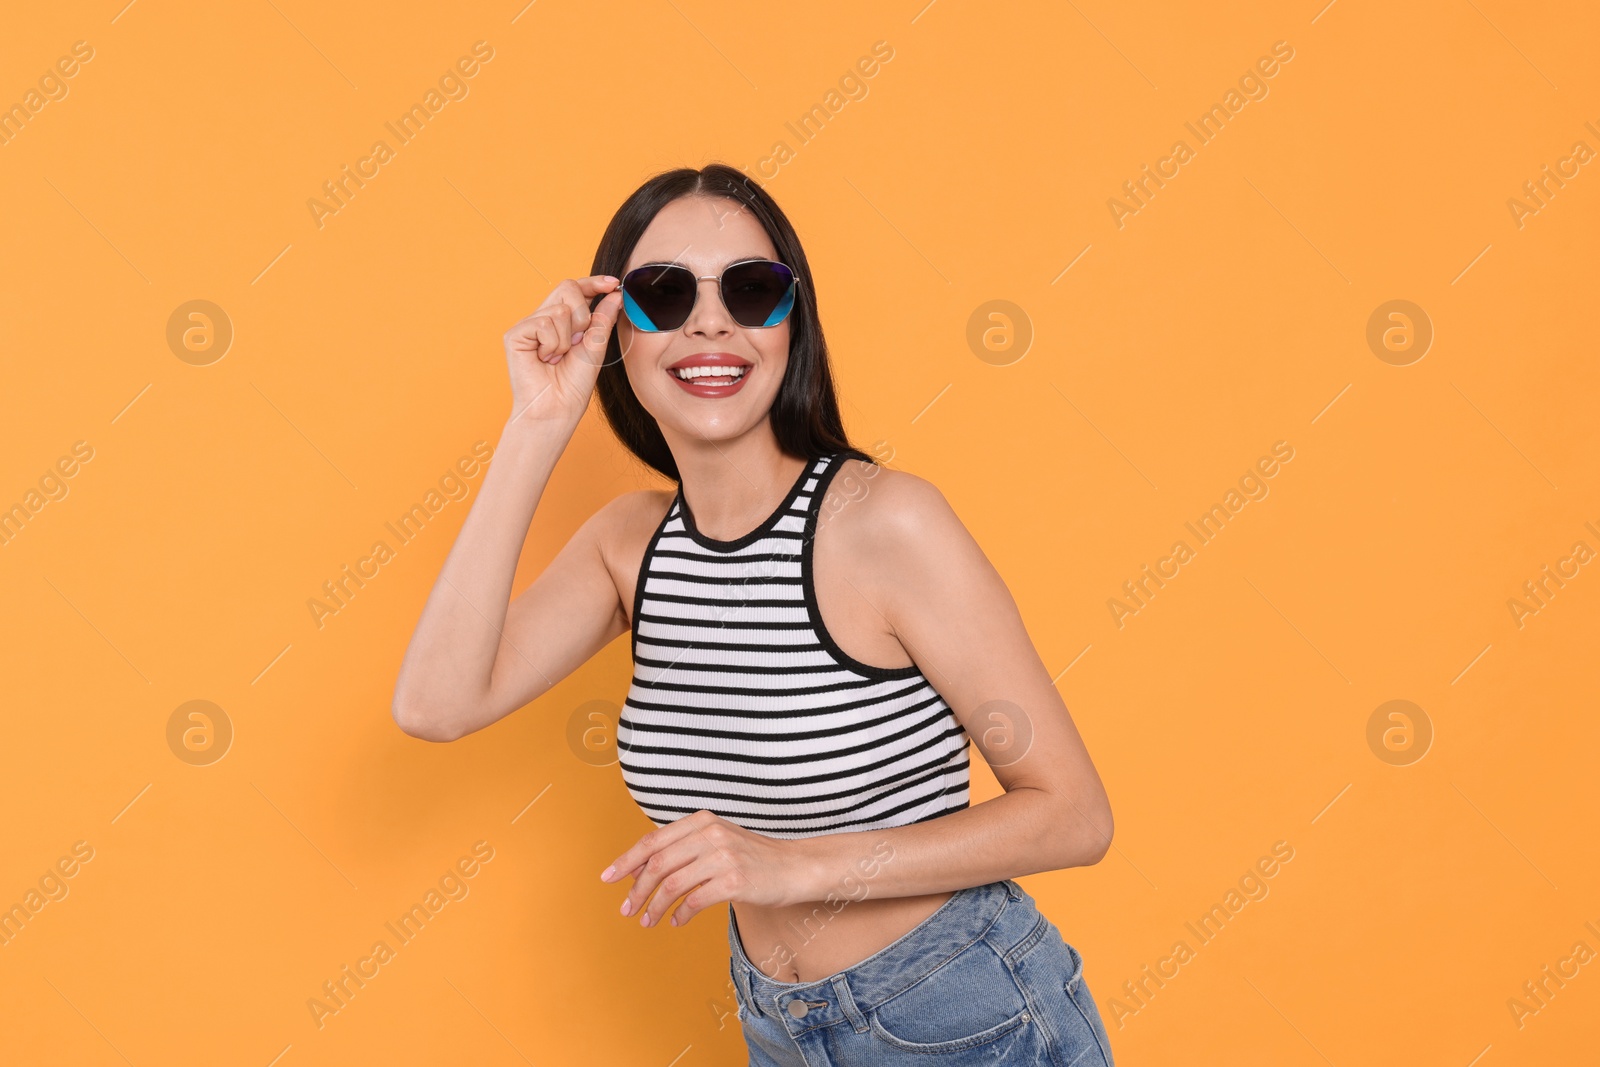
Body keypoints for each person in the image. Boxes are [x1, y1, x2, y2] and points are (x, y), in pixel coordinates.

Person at [391, 163, 1117, 1066]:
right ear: (613, 331)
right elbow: (435, 704)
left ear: (790, 322)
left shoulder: (884, 523)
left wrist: (794, 864)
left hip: (960, 1012)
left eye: (751, 288)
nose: (710, 321)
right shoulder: (630, 545)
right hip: (783, 1023)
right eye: (661, 293)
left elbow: (1074, 814)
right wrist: (535, 425)